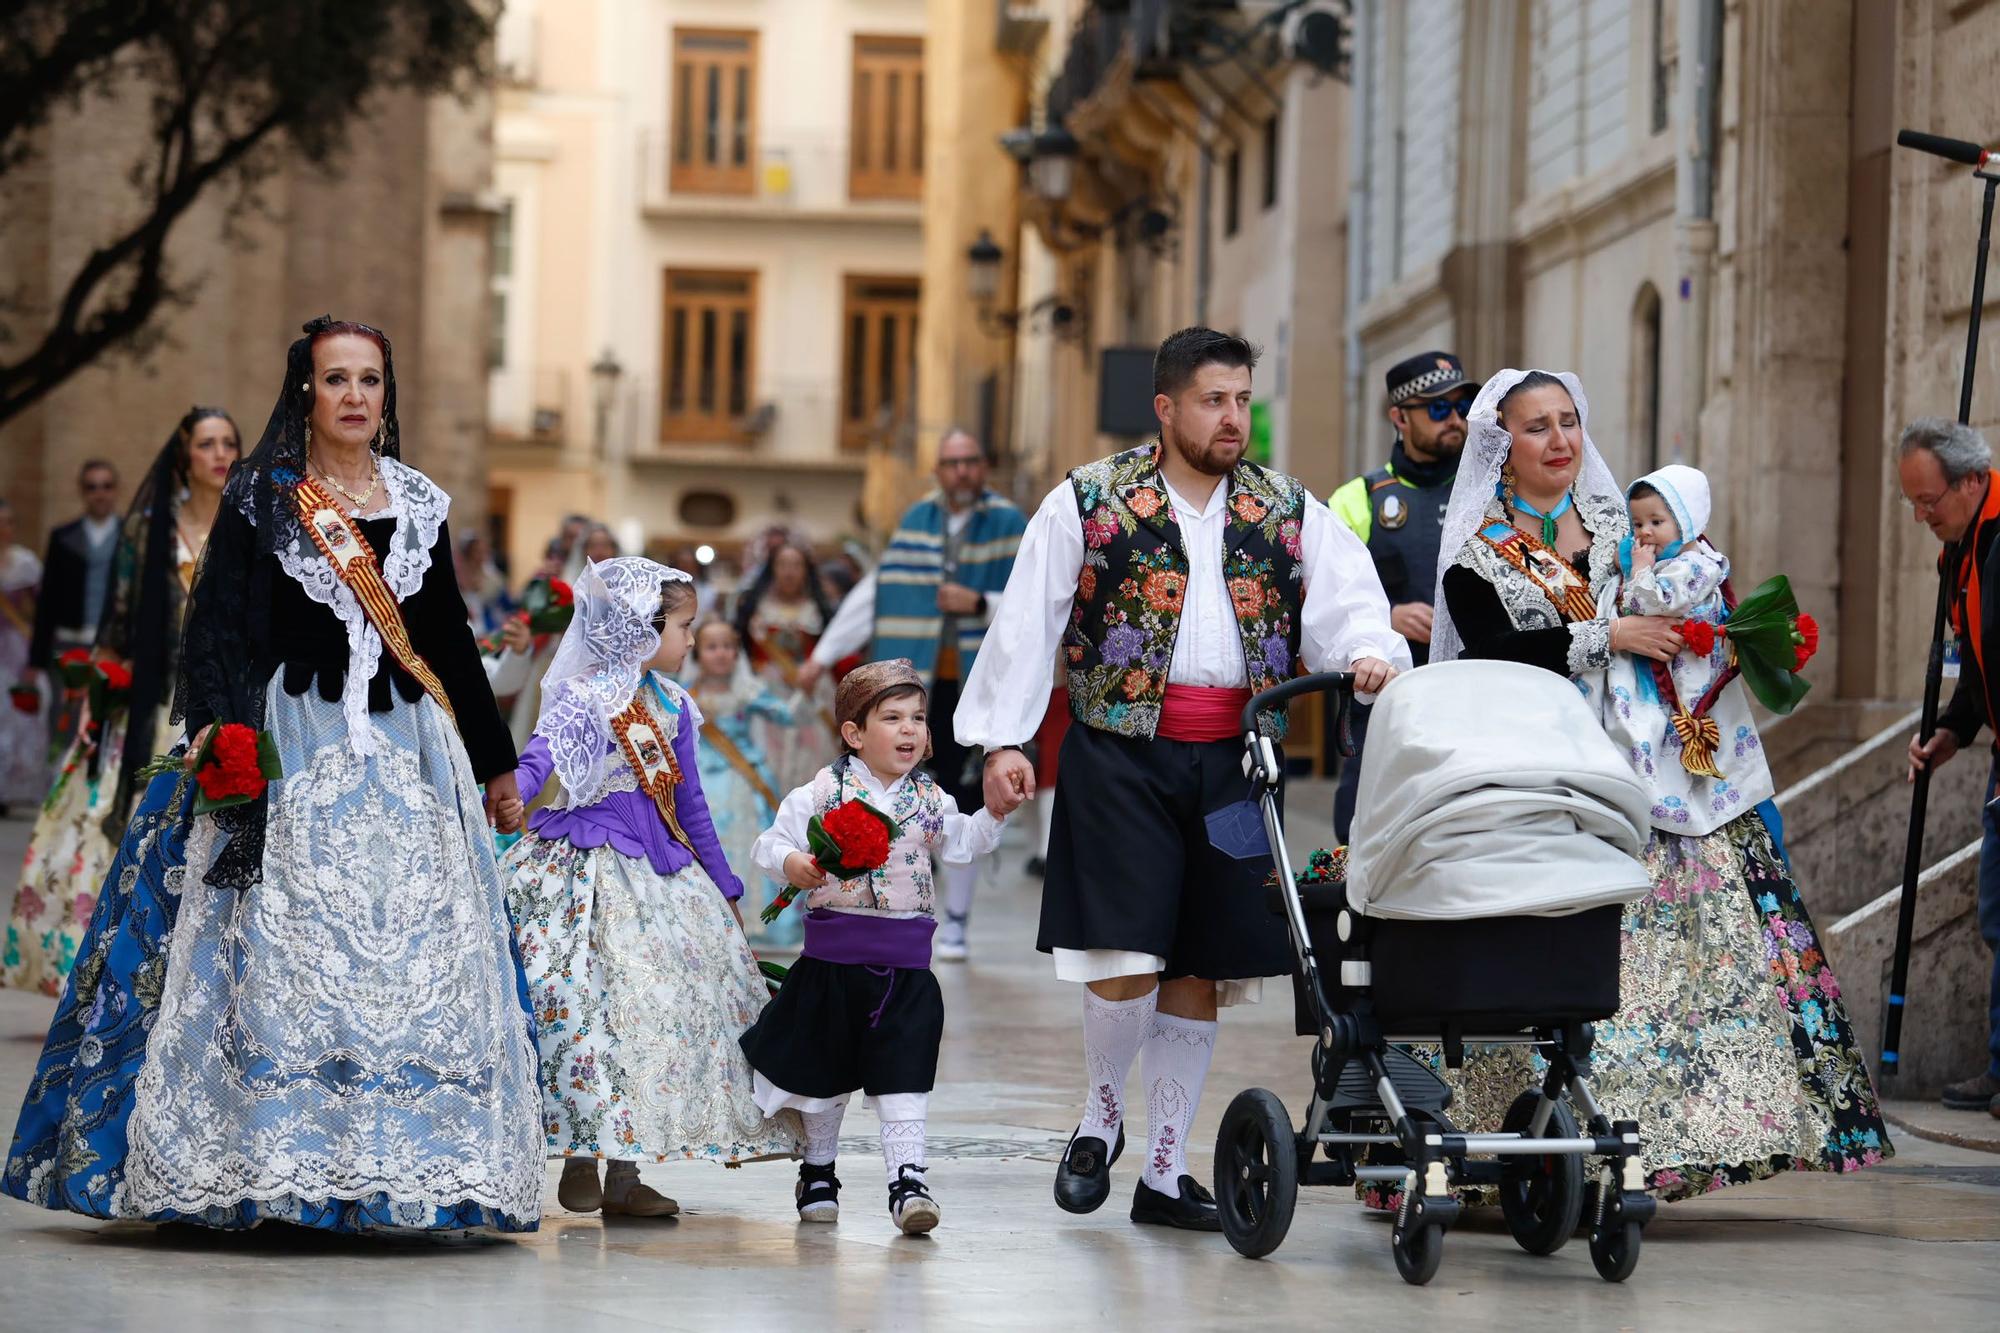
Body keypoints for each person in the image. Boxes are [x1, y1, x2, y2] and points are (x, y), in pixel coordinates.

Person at [960, 327, 1407, 1232]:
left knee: (1202, 963)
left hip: (1240, 761)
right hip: (1118, 752)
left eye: (1243, 399)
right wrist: (1003, 741)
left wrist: (1368, 651)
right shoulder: (1090, 499)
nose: (1234, 417)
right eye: (1214, 400)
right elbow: (1026, 622)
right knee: (1126, 954)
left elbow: (1348, 604)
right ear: (1165, 408)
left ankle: (1165, 1173)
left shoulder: (1287, 509)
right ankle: (1099, 1118)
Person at [1423, 367, 1888, 1202]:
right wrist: (1610, 634)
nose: (1561, 440)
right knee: (1562, 961)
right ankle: (1527, 1149)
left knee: (1687, 959)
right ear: (1503, 445)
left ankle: (1679, 1142)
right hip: (1550, 780)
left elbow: (1695, 593)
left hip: (1662, 776)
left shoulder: (1623, 526)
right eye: (1538, 427)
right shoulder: (1477, 557)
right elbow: (1493, 651)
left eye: (1569, 420)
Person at [121, 317, 541, 1233]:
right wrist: (221, 740)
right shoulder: (264, 497)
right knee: (287, 956)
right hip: (291, 746)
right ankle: (283, 1163)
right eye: (337, 378)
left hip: (407, 754)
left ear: (388, 394)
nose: (355, 395)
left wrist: (494, 761)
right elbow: (221, 630)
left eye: (371, 380)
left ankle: (404, 1167)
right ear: (306, 389)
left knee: (413, 966)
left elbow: (449, 643)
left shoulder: (420, 501)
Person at [498, 558, 799, 1220]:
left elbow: (689, 803)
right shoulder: (583, 695)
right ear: (642, 627)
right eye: (684, 627)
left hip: (663, 874)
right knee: (584, 1009)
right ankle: (581, 1154)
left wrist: (722, 879)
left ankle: (626, 1175)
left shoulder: (671, 704)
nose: (691, 640)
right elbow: (540, 758)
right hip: (581, 868)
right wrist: (510, 796)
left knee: (649, 1015)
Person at [740, 659, 1011, 1236]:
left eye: (917, 717)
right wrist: (795, 862)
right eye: (892, 718)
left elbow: (962, 845)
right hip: (832, 963)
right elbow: (771, 843)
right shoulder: (822, 791)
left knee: (905, 1073)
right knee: (825, 1073)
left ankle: (908, 1179)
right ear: (854, 733)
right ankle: (818, 1171)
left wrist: (995, 813)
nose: (910, 729)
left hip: (906, 968)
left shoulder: (931, 800)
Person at [4, 408, 240, 996]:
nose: (220, 453)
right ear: (185, 454)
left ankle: (194, 975)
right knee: (121, 831)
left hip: (222, 702)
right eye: (207, 443)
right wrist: (97, 697)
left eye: (229, 442)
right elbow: (118, 619)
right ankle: (106, 972)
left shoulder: (247, 526)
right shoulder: (149, 532)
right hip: (153, 705)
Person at [804, 428, 1028, 961]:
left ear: (984, 465)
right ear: (938, 470)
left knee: (966, 795)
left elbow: (1033, 601)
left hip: (979, 684)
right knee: (912, 794)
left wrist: (978, 602)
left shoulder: (1009, 523)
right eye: (951, 463)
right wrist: (821, 655)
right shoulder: (916, 522)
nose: (961, 472)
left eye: (971, 461)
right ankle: (900, 907)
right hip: (918, 690)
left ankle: (956, 920)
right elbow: (873, 593)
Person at [1327, 350, 1471, 842]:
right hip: (1384, 704)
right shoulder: (1355, 499)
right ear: (1399, 417)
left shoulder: (1493, 491)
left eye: (1461, 406)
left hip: (1473, 697)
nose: (1454, 419)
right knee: (1367, 831)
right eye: (1437, 408)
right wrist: (1385, 617)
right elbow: (1320, 599)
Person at [1899, 417, 2000, 1117]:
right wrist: (1950, 732)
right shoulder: (1958, 555)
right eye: (1912, 502)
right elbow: (1976, 666)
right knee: (1997, 913)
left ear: (1971, 481)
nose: (1921, 516)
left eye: (1930, 501)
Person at [1599, 464, 1776, 825]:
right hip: (1671, 675)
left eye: (1656, 522)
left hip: (1689, 683)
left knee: (1678, 749)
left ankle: (1680, 810)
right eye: (1638, 524)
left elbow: (1648, 603)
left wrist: (1637, 570)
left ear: (1687, 521)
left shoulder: (1693, 567)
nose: (1645, 533)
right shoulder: (1674, 561)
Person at [687, 618, 802, 948]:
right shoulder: (685, 696)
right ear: (697, 653)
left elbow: (785, 714)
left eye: (728, 646)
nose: (721, 654)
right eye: (712, 647)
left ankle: (756, 920)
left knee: (755, 840)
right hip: (702, 779)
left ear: (737, 653)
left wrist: (804, 693)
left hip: (746, 778)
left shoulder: (747, 691)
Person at [734, 539, 838, 794]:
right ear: (772, 568)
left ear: (805, 570)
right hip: (767, 691)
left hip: (809, 691)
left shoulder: (819, 610)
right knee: (768, 753)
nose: (789, 571)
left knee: (811, 756)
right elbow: (741, 650)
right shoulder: (754, 608)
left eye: (796, 565)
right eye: (782, 564)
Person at [26, 460, 122, 703]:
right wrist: (35, 660)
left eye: (106, 486)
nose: (100, 494)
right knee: (64, 720)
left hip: (115, 648)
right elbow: (47, 601)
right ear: (82, 491)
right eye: (92, 487)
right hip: (69, 644)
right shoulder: (62, 538)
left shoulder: (130, 536)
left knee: (110, 722)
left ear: (116, 490)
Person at [0, 499, 43, 814]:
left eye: (8, 521)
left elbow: (41, 608)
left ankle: (12, 788)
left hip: (16, 645)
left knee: (19, 715)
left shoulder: (24, 562)